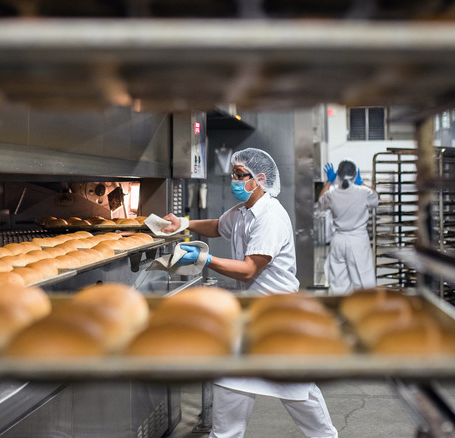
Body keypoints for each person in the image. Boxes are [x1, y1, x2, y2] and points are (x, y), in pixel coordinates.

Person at [162, 147, 337, 438]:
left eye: (240, 175)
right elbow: (218, 226)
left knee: (300, 396)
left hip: (279, 319)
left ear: (259, 178)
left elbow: (248, 269)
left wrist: (205, 260)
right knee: (230, 383)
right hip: (249, 318)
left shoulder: (270, 217)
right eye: (233, 174)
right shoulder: (244, 212)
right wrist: (184, 224)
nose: (233, 180)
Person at [318, 160, 379, 295]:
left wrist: (329, 181)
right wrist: (361, 182)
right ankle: (364, 312)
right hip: (358, 241)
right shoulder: (363, 192)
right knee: (363, 282)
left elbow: (320, 202)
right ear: (355, 174)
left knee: (338, 284)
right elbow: (376, 198)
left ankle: (338, 310)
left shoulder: (331, 194)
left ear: (338, 175)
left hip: (338, 240)